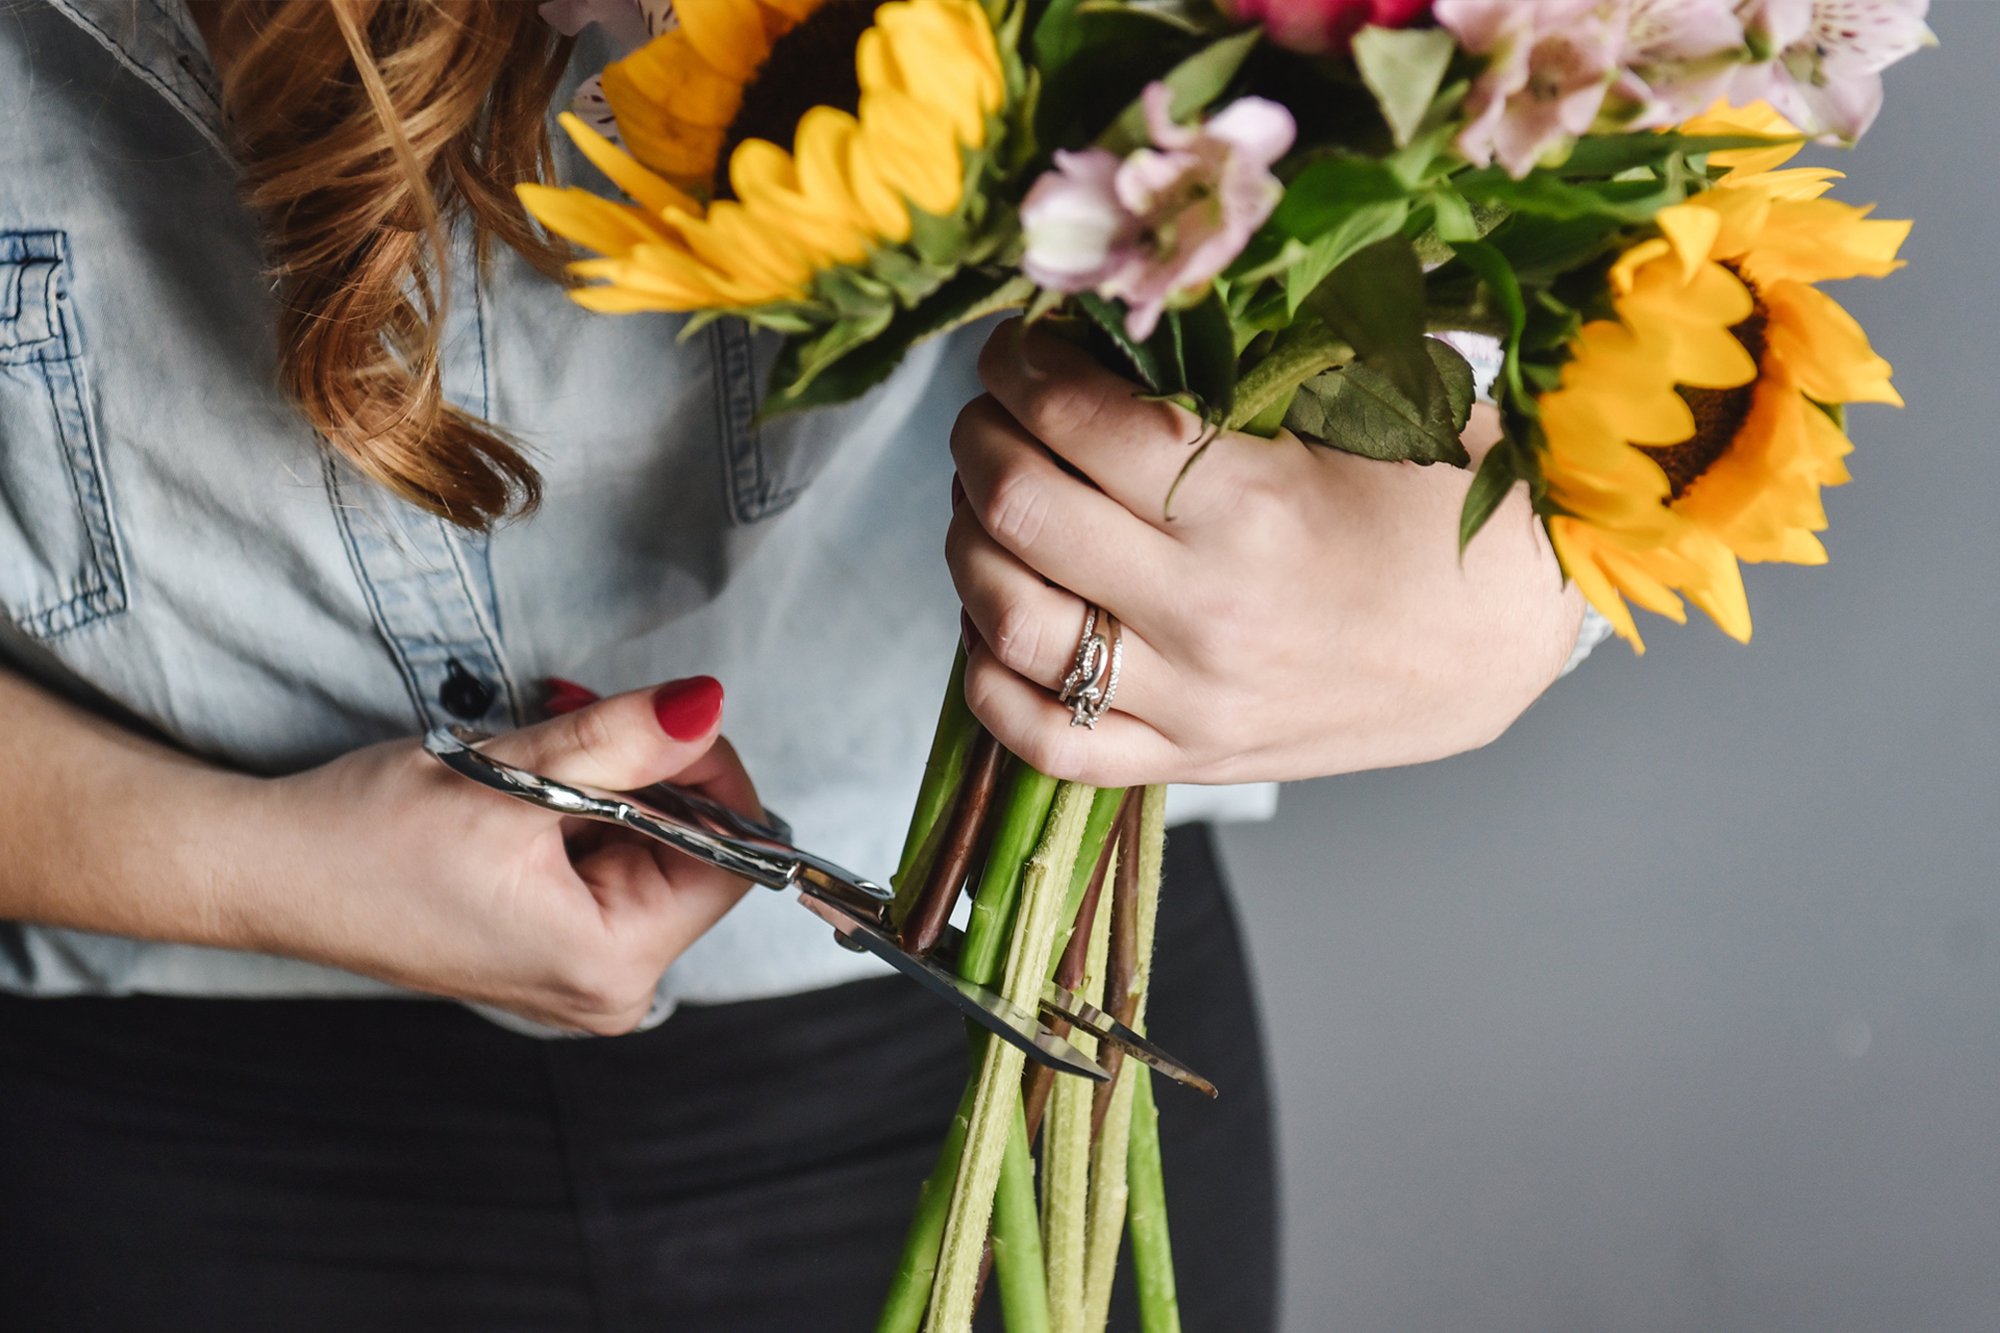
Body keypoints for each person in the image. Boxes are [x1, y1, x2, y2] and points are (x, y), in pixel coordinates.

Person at [0, 3, 1586, 1330]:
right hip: (142, 1066)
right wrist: (234, 864)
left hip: (1011, 1004)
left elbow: (1598, 139)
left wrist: (1526, 574)